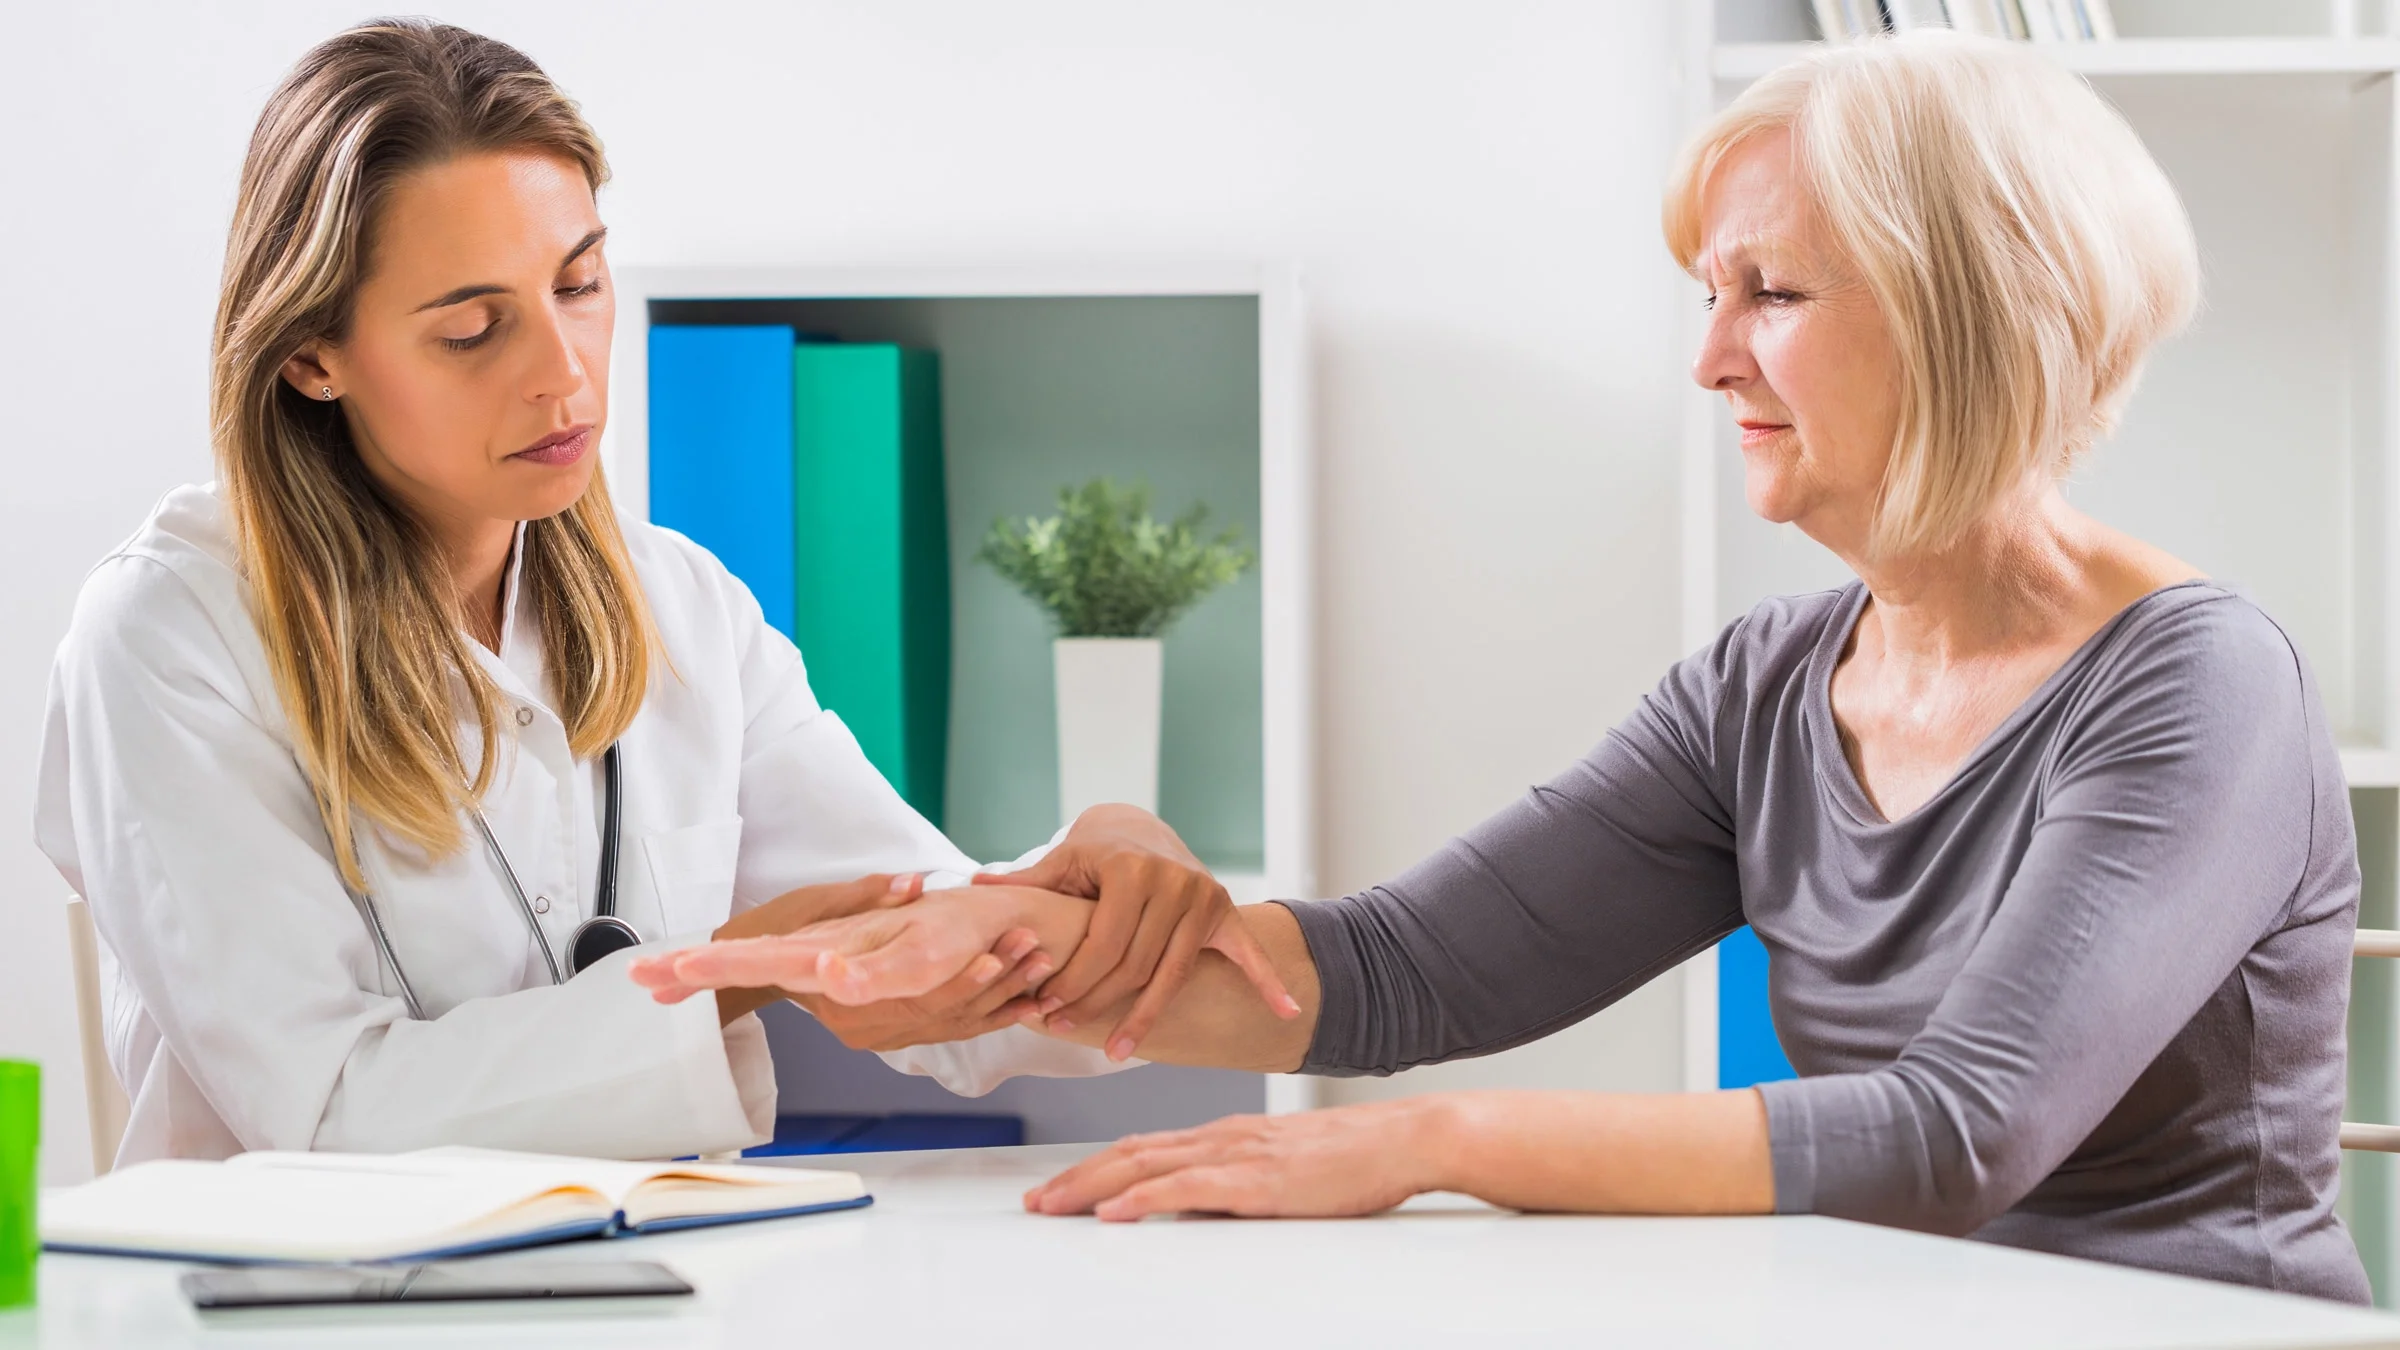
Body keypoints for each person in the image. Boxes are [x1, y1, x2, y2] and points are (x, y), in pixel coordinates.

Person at [636, 32, 2370, 1303]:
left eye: (1768, 290)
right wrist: (1024, 937)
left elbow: (1956, 1135)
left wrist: (1432, 1146)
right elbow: (1401, 974)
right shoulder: (1766, 689)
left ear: (1968, 305)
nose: (1709, 360)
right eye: (1708, 292)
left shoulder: (2197, 687)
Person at [34, 18, 1290, 1168]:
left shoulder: (679, 603)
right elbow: (322, 1113)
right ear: (311, 356)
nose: (565, 376)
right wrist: (744, 971)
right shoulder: (172, 634)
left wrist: (1087, 889)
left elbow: (906, 924)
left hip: (665, 1284)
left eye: (579, 285)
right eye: (474, 330)